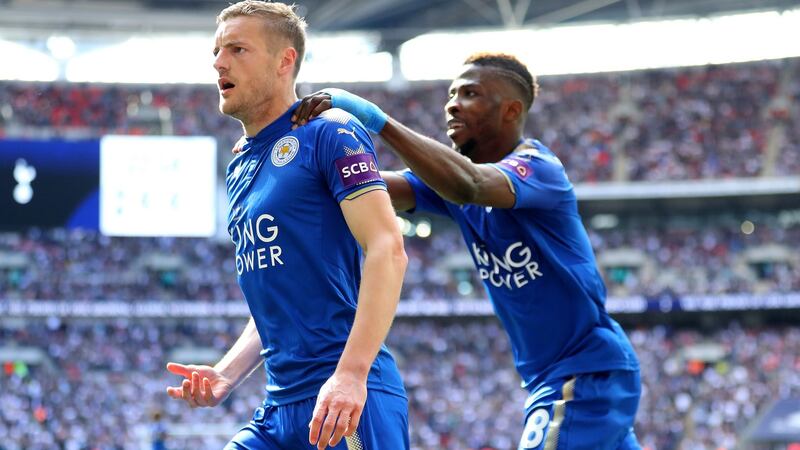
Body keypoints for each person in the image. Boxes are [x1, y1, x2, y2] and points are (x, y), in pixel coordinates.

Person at [290, 53, 642, 449]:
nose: (452, 103)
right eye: (451, 93)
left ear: (510, 110)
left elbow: (468, 184)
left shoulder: (539, 168)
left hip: (586, 373)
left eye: (470, 93)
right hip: (558, 376)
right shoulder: (452, 185)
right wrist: (302, 159)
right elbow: (367, 188)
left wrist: (380, 122)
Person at [166, 2, 410, 449]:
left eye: (238, 49)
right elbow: (279, 291)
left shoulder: (330, 132)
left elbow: (387, 248)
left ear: (285, 61)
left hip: (343, 402)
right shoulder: (240, 161)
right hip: (278, 408)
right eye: (217, 51)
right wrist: (226, 373)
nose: (219, 62)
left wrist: (352, 376)